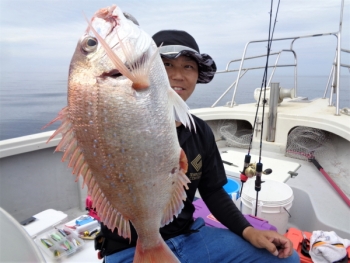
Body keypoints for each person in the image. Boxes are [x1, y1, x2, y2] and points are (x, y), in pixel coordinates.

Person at [96, 29, 300, 263]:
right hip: (129, 249)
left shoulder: (200, 131)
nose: (178, 75)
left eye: (188, 66)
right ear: (146, 72)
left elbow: (212, 190)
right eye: (166, 65)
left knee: (287, 259)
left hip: (190, 236)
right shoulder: (118, 123)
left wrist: (248, 230)